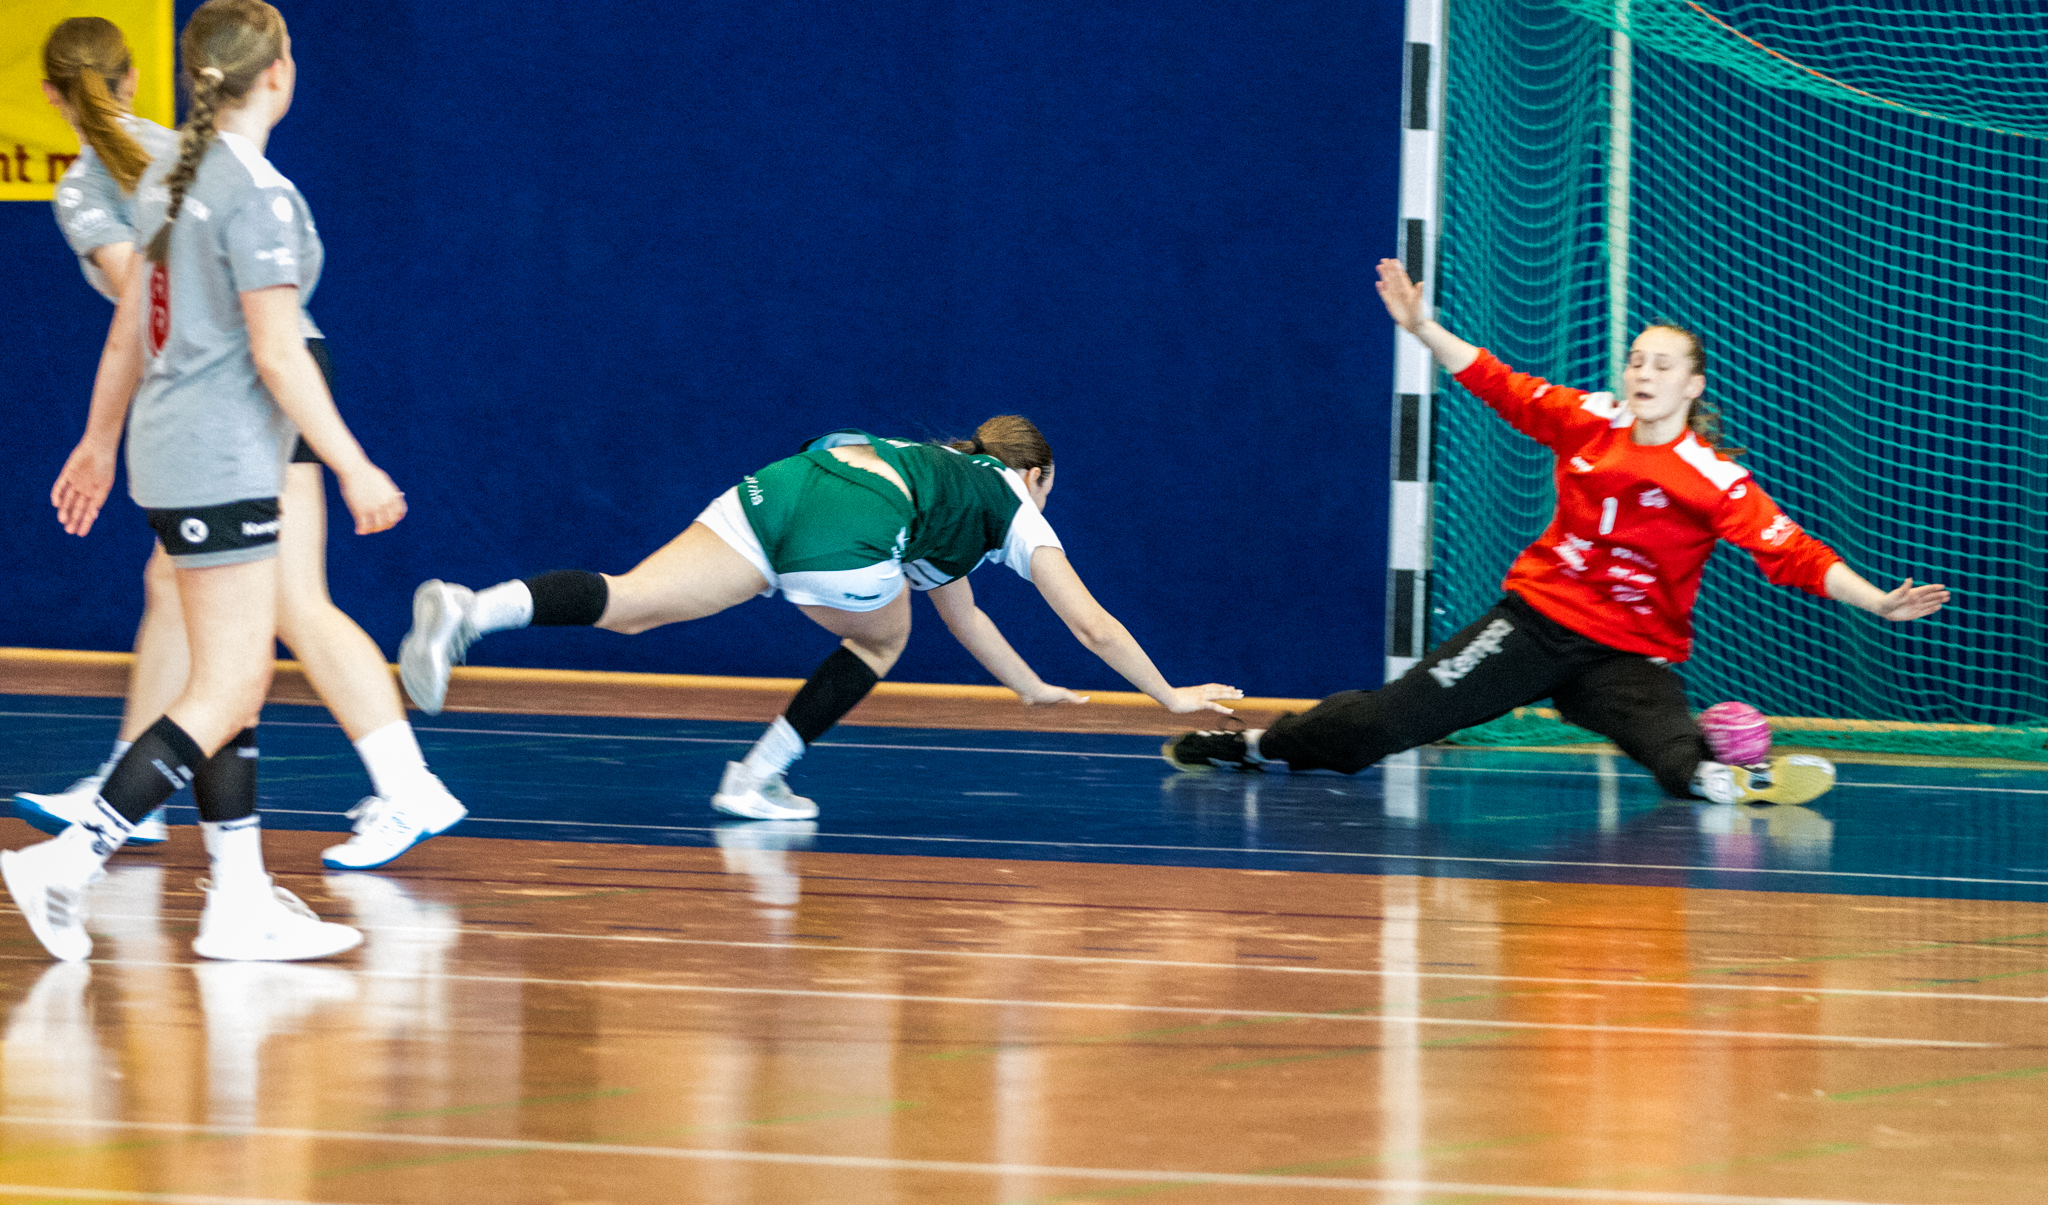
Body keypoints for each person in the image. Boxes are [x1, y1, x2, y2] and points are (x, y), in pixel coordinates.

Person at [1163, 259, 1950, 805]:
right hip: (1534, 627)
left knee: (1670, 748)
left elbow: (1794, 552)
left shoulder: (1713, 479)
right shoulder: (1588, 420)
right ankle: (1256, 746)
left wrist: (1878, 600)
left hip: (1627, 652)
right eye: (1636, 360)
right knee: (1388, 719)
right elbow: (1500, 383)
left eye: (1663, 365)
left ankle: (1730, 780)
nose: (1643, 373)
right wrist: (1424, 327)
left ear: (1693, 385)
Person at [5, 0, 408, 963]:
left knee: (233, 681)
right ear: (278, 73)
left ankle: (238, 898)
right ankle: (68, 860)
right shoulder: (254, 194)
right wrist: (353, 463)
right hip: (221, 453)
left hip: (177, 448)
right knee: (228, 686)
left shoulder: (170, 176)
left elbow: (126, 330)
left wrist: (100, 440)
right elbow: (277, 351)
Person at [400, 418, 1242, 817]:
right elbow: (1092, 623)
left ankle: (472, 609)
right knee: (882, 640)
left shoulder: (944, 477)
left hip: (791, 482)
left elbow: (964, 613)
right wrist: (1168, 695)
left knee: (631, 603)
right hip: (851, 525)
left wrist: (1029, 687)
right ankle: (753, 777)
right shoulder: (1015, 506)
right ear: (1037, 474)